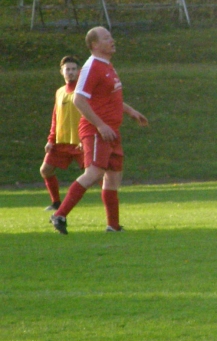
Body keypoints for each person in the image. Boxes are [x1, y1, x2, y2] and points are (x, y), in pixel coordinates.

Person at [50, 27, 149, 234]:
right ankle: (59, 214)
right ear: (94, 44)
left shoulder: (107, 65)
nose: (112, 40)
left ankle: (113, 226)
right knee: (94, 172)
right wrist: (100, 125)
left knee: (113, 177)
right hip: (96, 130)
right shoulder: (91, 67)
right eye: (106, 38)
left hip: (111, 130)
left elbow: (109, 97)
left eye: (111, 36)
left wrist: (130, 111)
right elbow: (79, 99)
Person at [40, 56, 84, 211]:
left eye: (73, 69)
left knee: (96, 174)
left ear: (79, 71)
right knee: (45, 170)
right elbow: (56, 117)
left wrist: (87, 137)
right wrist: (51, 139)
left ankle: (111, 204)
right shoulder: (59, 92)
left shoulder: (83, 91)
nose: (70, 72)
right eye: (68, 69)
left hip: (80, 142)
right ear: (62, 72)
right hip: (61, 142)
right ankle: (56, 203)